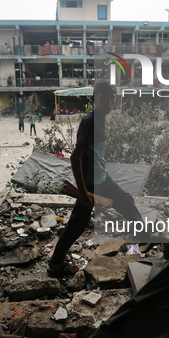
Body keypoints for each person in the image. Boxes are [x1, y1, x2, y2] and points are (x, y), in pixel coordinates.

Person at [47, 80, 147, 277]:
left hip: (102, 176)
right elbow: (76, 157)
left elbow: (95, 153)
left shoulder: (101, 118)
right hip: (92, 181)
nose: (110, 102)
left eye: (113, 98)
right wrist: (83, 192)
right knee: (77, 223)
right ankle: (55, 262)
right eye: (105, 98)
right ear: (94, 99)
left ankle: (143, 236)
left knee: (125, 200)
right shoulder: (90, 121)